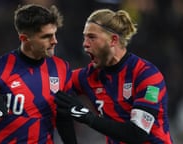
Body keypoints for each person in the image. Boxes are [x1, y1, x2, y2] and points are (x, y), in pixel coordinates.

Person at [55, 8, 173, 143]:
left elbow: (137, 134)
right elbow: (52, 86)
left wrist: (87, 116)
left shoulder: (147, 75)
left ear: (113, 40)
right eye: (85, 37)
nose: (85, 44)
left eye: (92, 37)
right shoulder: (89, 76)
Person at [0, 4, 77, 144]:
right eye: (46, 36)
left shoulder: (62, 68)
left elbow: (63, 119)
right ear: (24, 39)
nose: (54, 41)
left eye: (54, 34)